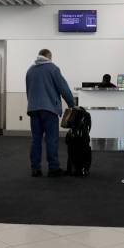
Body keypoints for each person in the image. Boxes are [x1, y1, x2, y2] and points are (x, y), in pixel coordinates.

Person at [26, 49, 75, 177]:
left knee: (36, 139)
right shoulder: (52, 69)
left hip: (33, 109)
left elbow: (28, 90)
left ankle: (35, 169)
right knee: (51, 139)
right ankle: (53, 168)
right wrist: (71, 104)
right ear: (49, 57)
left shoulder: (30, 70)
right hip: (49, 110)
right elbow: (63, 87)